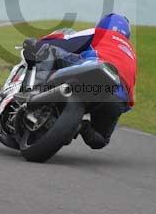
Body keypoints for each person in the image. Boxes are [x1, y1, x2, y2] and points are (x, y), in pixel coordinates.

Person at [23, 13, 137, 150]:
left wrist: (38, 44)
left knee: (48, 50)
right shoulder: (132, 54)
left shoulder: (99, 33)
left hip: (93, 71)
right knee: (100, 140)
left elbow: (66, 42)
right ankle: (81, 126)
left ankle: (34, 93)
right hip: (118, 96)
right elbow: (129, 97)